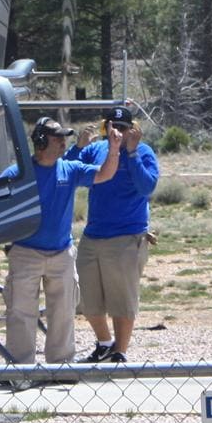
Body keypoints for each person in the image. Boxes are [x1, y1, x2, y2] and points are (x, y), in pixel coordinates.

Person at [0, 117, 123, 367]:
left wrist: (114, 149)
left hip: (62, 254)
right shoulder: (18, 174)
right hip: (25, 253)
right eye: (58, 138)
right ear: (42, 141)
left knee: (63, 314)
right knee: (20, 313)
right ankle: (20, 369)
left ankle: (61, 366)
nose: (63, 143)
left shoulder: (69, 168)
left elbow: (105, 173)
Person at [68, 107, 159, 363]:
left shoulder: (143, 152)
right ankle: (105, 343)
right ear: (104, 127)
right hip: (94, 234)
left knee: (122, 299)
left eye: (123, 126)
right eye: (112, 126)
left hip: (127, 236)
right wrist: (78, 147)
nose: (117, 131)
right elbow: (70, 172)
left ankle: (120, 352)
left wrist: (131, 153)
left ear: (133, 129)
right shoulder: (95, 150)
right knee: (87, 297)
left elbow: (147, 186)